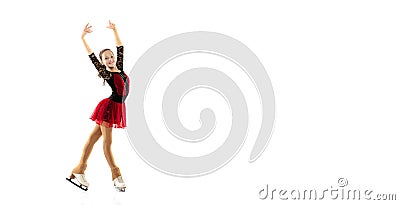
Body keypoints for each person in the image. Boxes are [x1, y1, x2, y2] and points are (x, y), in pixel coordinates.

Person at [66, 21, 130, 192]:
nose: (110, 59)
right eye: (106, 58)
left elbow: (120, 46)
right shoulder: (106, 72)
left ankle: (79, 169)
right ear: (103, 62)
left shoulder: (120, 68)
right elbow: (92, 57)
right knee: (107, 142)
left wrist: (115, 30)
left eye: (111, 57)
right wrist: (82, 38)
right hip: (109, 109)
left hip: (117, 108)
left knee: (93, 138)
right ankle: (116, 175)